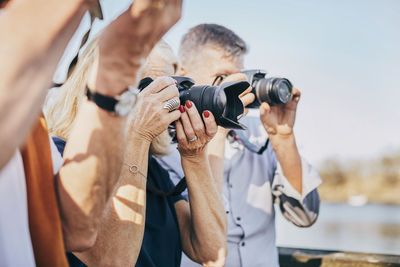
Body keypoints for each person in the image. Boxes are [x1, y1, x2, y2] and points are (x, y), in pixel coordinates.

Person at [0, 0, 183, 266]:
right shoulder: (57, 141)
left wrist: (118, 65)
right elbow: (110, 259)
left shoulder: (33, 124)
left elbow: (75, 230)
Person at [45, 40, 227, 267]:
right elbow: (111, 261)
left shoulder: (154, 170)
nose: (163, 103)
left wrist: (194, 156)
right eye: (147, 88)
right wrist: (137, 136)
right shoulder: (60, 157)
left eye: (170, 91)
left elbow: (212, 253)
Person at [158, 23, 322, 267]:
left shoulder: (260, 133)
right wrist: (218, 129)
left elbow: (305, 216)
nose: (238, 88)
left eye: (241, 78)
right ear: (184, 73)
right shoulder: (162, 147)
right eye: (223, 78)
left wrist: (283, 138)